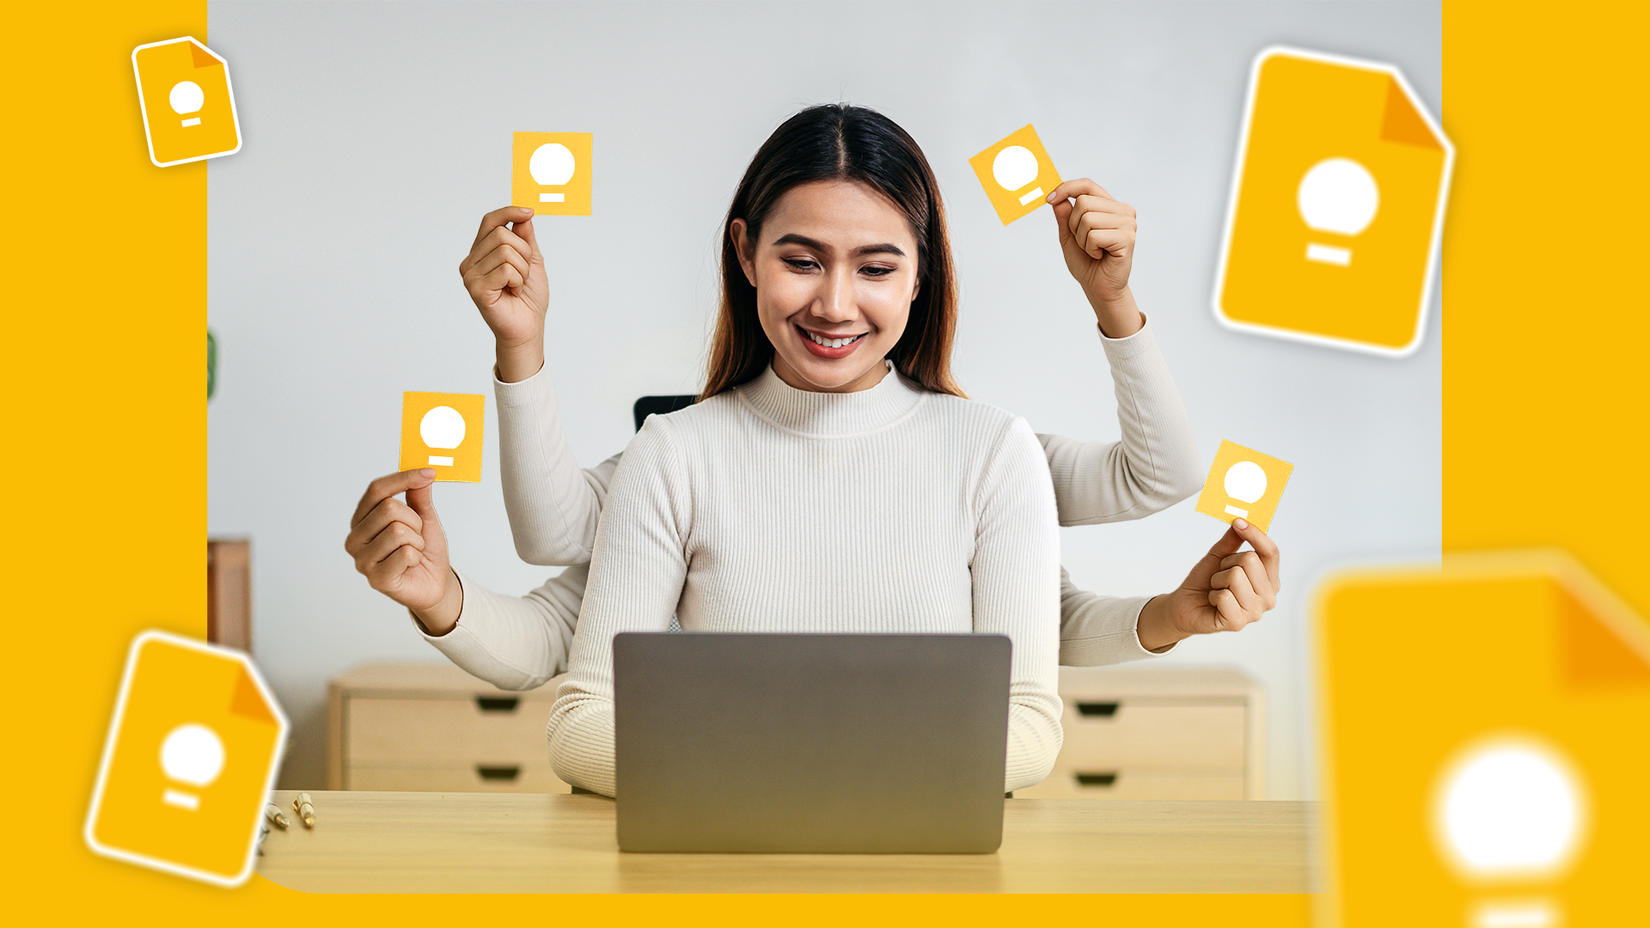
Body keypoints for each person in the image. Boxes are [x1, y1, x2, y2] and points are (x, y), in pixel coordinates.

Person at [346, 105, 1283, 796]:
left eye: (876, 268)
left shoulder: (991, 452)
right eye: (802, 260)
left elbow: (1032, 701)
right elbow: (577, 684)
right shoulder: (676, 454)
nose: (835, 304)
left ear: (921, 278)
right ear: (746, 253)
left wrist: (1114, 298)